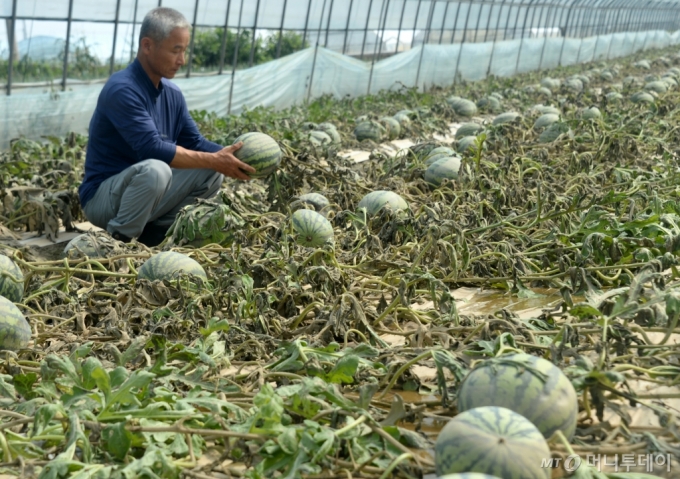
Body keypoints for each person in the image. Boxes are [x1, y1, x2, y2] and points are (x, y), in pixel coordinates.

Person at [78, 7, 256, 247]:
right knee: (156, 170)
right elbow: (151, 148)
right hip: (104, 199)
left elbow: (195, 142)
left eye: (184, 50)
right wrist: (214, 159)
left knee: (211, 169)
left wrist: (237, 156)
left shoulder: (172, 94)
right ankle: (117, 242)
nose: (182, 60)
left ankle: (157, 237)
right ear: (148, 45)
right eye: (175, 50)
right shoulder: (122, 89)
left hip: (148, 194)